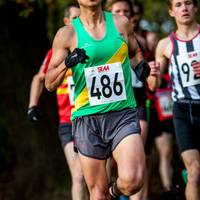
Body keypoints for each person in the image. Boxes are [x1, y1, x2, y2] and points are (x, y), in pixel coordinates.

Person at [44, 0, 160, 199]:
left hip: (122, 113)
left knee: (134, 180)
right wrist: (67, 63)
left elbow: (135, 52)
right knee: (97, 194)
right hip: (87, 118)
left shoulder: (121, 23)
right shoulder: (67, 34)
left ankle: (112, 192)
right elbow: (49, 83)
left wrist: (140, 66)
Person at [27, 3, 89, 200]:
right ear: (66, 21)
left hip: (93, 118)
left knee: (99, 176)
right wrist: (32, 106)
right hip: (68, 122)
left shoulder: (94, 46)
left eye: (81, 18)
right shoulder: (58, 51)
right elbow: (40, 78)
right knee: (79, 176)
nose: (78, 22)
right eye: (74, 18)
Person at [155, 0, 200, 199]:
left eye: (188, 3)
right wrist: (151, 73)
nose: (184, 8)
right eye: (179, 4)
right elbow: (153, 85)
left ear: (196, 8)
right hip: (183, 111)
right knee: (194, 172)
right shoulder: (165, 45)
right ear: (171, 11)